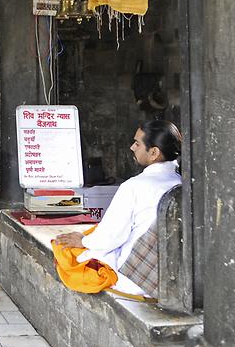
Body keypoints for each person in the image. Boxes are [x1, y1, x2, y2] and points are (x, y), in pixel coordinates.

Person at [54, 120, 183, 298]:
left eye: (137, 143)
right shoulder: (183, 185)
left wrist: (83, 242)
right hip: (178, 279)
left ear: (153, 153)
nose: (132, 147)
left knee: (68, 251)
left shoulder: (134, 186)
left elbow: (110, 237)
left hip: (138, 278)